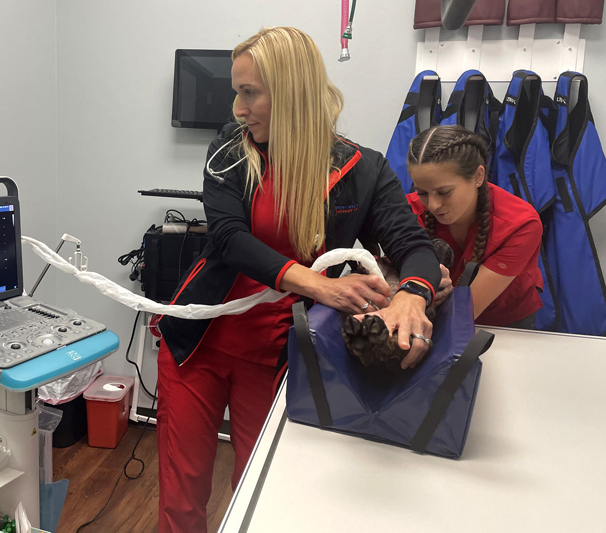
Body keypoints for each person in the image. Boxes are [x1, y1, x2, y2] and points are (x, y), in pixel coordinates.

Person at [156, 27, 442, 532]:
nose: (238, 108)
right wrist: (318, 284)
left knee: (260, 488)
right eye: (236, 91)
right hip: (198, 344)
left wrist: (412, 296)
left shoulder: (363, 169)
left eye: (249, 92)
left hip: (279, 354)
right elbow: (227, 237)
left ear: (291, 91)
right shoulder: (229, 148)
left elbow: (412, 246)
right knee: (182, 497)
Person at [406, 125, 544, 328]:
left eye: (444, 192)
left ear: (478, 177)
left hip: (506, 321)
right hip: (435, 316)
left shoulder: (521, 224)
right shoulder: (409, 210)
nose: (433, 205)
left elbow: (465, 313)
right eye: (422, 193)